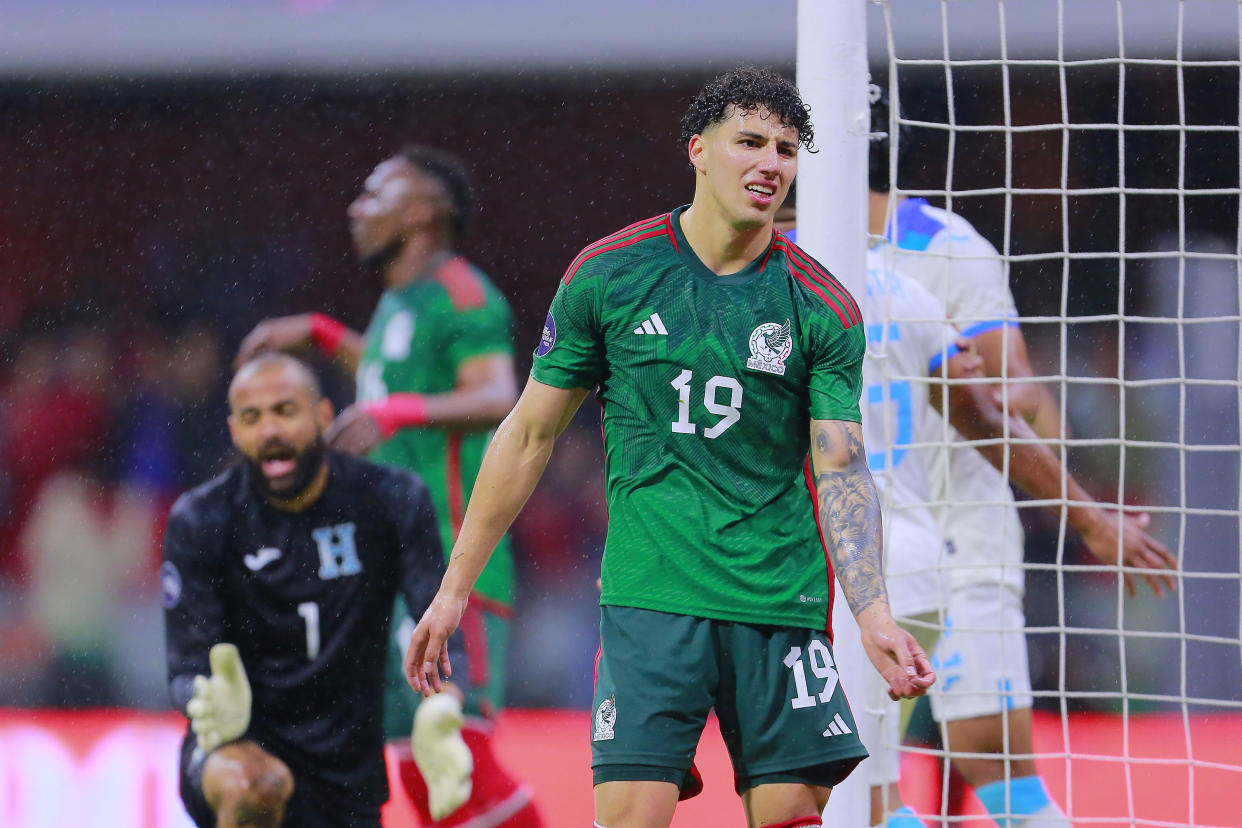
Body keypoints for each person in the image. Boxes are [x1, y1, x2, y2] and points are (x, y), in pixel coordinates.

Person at [403, 65, 937, 828]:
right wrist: (455, 590)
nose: (769, 163)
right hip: (651, 602)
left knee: (792, 817)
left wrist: (874, 613)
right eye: (748, 141)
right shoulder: (611, 275)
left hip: (778, 604)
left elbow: (842, 466)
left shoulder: (822, 305)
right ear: (698, 150)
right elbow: (527, 435)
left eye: (786, 150)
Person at [864, 88, 1177, 827]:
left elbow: (1007, 397)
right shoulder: (816, 251)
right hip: (874, 546)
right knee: (926, 790)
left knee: (866, 793)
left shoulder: (938, 247)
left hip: (949, 534)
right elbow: (1020, 397)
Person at [236, 146, 539, 826]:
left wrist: (394, 411)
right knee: (419, 770)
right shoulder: (403, 303)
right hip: (401, 570)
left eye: (377, 193)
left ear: (423, 214)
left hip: (457, 564)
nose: (357, 207)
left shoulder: (464, 293)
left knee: (459, 758)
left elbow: (498, 393)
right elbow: (386, 368)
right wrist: (320, 334)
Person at [163, 352, 467, 827]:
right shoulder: (202, 520)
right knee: (254, 788)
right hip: (244, 742)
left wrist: (442, 708)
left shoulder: (390, 501)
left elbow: (437, 617)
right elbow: (185, 662)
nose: (270, 431)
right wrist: (205, 699)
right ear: (234, 430)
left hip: (348, 770)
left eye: (285, 411)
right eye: (252, 417)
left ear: (323, 416)